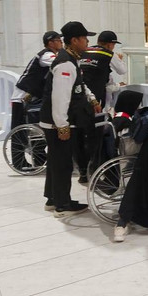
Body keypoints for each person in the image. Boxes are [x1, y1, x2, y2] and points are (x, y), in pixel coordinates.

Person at [39, 21, 101, 218]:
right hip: (57, 122)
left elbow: (78, 86)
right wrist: (62, 126)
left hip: (58, 121)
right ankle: (62, 204)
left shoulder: (71, 59)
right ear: (74, 40)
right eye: (84, 38)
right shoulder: (65, 63)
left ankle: (52, 199)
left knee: (56, 161)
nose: (87, 42)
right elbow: (60, 97)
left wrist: (91, 99)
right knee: (62, 163)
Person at [9, 31, 63, 170]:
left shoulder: (47, 54)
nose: (61, 43)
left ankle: (38, 159)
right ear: (50, 42)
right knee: (19, 132)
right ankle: (19, 163)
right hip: (21, 97)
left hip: (30, 97)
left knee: (35, 129)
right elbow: (58, 62)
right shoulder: (46, 55)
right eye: (58, 40)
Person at [78, 30, 127, 181]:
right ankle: (95, 170)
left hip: (80, 98)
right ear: (110, 44)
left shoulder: (84, 52)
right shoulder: (108, 54)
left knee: (83, 136)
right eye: (113, 44)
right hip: (97, 101)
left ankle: (82, 172)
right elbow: (122, 70)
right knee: (97, 137)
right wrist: (119, 58)